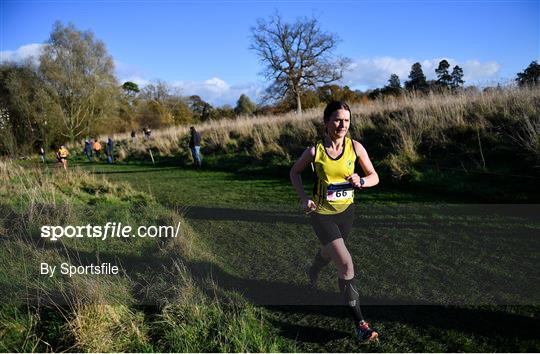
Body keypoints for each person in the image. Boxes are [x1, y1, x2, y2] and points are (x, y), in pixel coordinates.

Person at [289, 101, 379, 343]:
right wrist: (304, 198)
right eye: (338, 120)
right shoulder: (314, 151)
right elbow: (294, 172)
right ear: (326, 122)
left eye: (347, 120)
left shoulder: (355, 147)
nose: (343, 125)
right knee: (346, 265)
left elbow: (374, 177)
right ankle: (361, 325)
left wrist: (361, 181)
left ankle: (314, 269)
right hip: (322, 214)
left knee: (330, 253)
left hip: (346, 213)